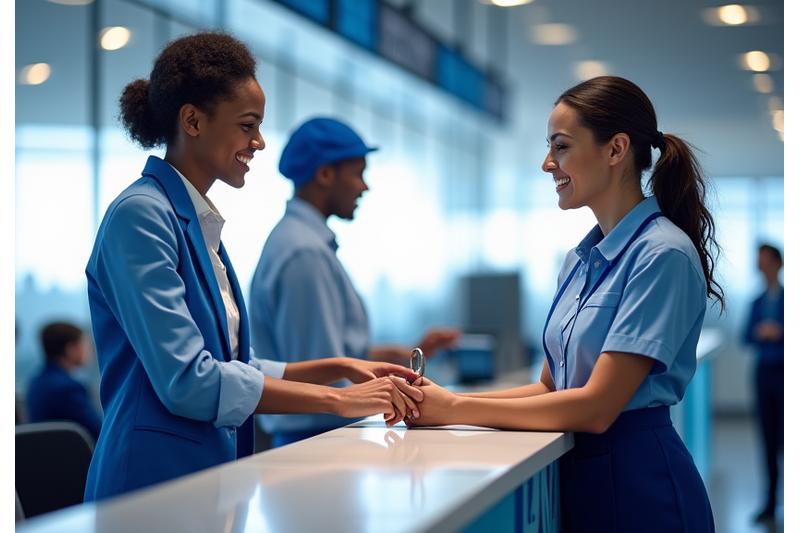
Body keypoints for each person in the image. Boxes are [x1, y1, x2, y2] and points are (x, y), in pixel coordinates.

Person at [84, 32, 421, 502]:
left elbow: (234, 366)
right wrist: (339, 397)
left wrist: (338, 366)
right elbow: (189, 381)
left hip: (202, 481)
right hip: (148, 484)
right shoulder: (140, 215)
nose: (259, 142)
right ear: (193, 121)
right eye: (247, 125)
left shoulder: (193, 219)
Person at [407, 76, 720, 532]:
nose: (547, 163)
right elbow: (552, 390)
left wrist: (454, 411)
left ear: (615, 150)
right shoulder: (579, 260)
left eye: (561, 147)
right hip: (581, 478)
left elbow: (596, 407)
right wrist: (446, 401)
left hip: (641, 488)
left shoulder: (661, 254)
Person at [248, 117, 459, 447]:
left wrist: (387, 359)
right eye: (358, 173)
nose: (364, 186)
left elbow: (325, 358)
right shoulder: (304, 253)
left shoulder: (306, 244)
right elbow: (319, 377)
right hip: (312, 441)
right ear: (325, 174)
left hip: (319, 437)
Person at [743, 243, 783, 523]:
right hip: (763, 376)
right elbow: (745, 336)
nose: (761, 266)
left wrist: (780, 332)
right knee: (768, 442)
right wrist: (762, 333)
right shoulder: (756, 302)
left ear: (778, 263)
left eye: (765, 260)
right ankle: (770, 503)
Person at [26, 321, 102, 440]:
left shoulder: (36, 382)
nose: (90, 351)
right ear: (70, 349)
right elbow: (99, 431)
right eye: (84, 345)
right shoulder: (68, 389)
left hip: (43, 455)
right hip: (73, 457)